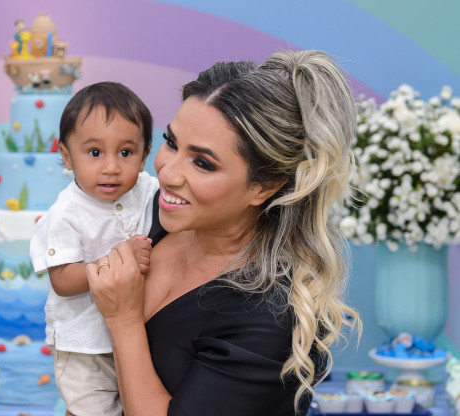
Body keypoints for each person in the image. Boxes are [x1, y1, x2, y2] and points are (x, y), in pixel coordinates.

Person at [87, 50, 362, 416]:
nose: (167, 173)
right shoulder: (160, 213)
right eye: (171, 142)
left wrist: (123, 320)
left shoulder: (269, 316)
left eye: (202, 163)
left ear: (263, 187)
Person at [30, 81, 159, 416]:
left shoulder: (147, 190)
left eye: (126, 153)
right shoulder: (65, 214)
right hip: (84, 344)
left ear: (144, 157)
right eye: (95, 153)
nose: (111, 167)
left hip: (138, 335)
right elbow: (62, 280)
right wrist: (118, 259)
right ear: (67, 157)